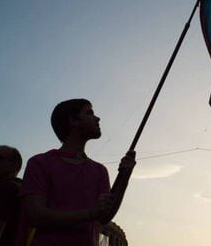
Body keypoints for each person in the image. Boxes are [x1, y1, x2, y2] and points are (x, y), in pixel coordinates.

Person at [17, 98, 136, 246]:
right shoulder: (41, 163)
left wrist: (125, 176)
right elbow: (35, 215)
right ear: (73, 120)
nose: (97, 118)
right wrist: (88, 214)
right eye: (89, 112)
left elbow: (104, 216)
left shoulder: (100, 171)